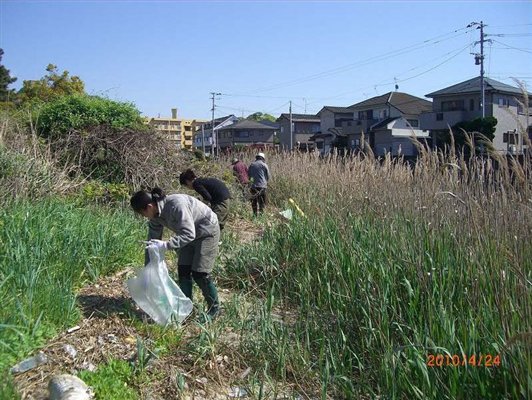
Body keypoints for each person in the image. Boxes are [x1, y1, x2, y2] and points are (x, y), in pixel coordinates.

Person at [130, 188, 220, 320]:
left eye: (142, 213)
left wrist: (167, 245)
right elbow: (152, 243)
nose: (143, 217)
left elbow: (189, 234)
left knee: (200, 273)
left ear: (149, 206)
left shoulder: (176, 205)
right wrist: (148, 271)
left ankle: (214, 309)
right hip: (187, 234)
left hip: (206, 231)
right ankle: (186, 308)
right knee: (183, 270)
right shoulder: (155, 216)